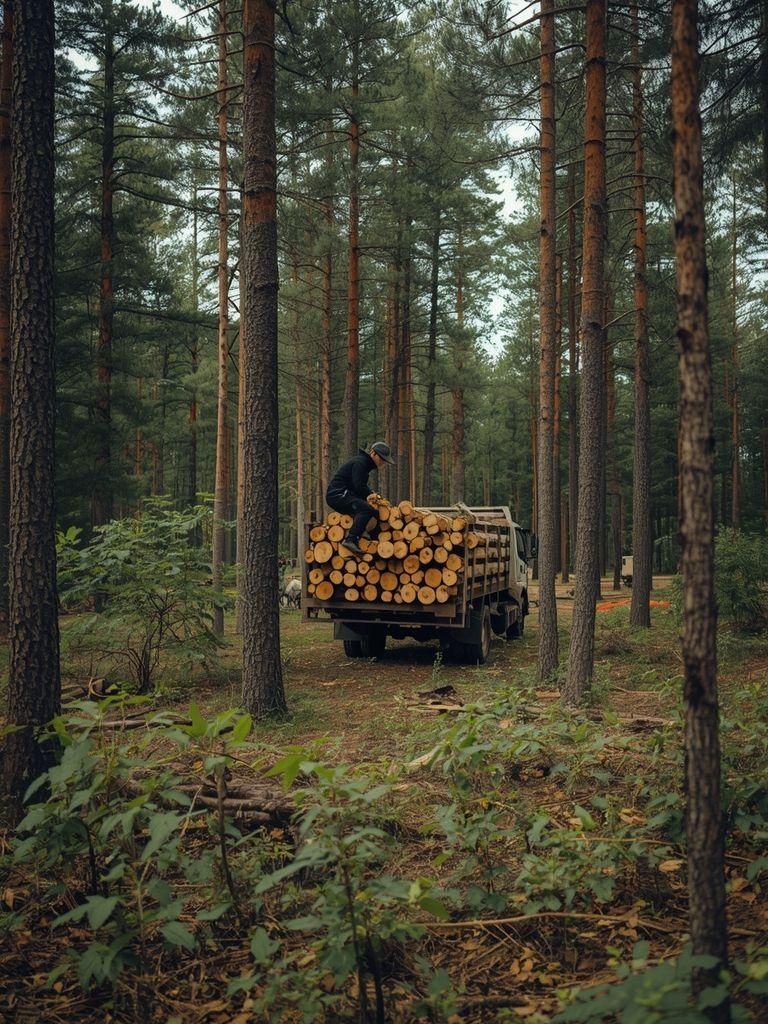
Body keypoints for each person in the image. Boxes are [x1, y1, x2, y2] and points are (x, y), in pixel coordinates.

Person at [326, 441, 394, 555]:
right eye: (382, 459)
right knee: (366, 510)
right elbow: (358, 485)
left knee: (374, 512)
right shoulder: (360, 463)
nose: (383, 463)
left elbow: (358, 487)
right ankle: (350, 539)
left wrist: (370, 496)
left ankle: (371, 539)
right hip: (338, 495)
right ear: (373, 453)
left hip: (346, 494)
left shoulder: (364, 464)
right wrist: (370, 494)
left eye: (384, 460)